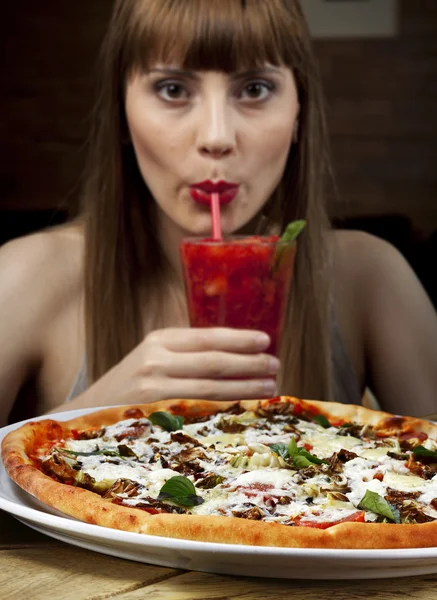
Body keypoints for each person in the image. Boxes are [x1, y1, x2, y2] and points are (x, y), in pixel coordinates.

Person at [1, 0, 436, 428]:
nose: (216, 137)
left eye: (254, 89)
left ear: (299, 111)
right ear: (121, 114)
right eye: (172, 89)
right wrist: (84, 420)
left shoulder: (369, 277)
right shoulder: (23, 278)